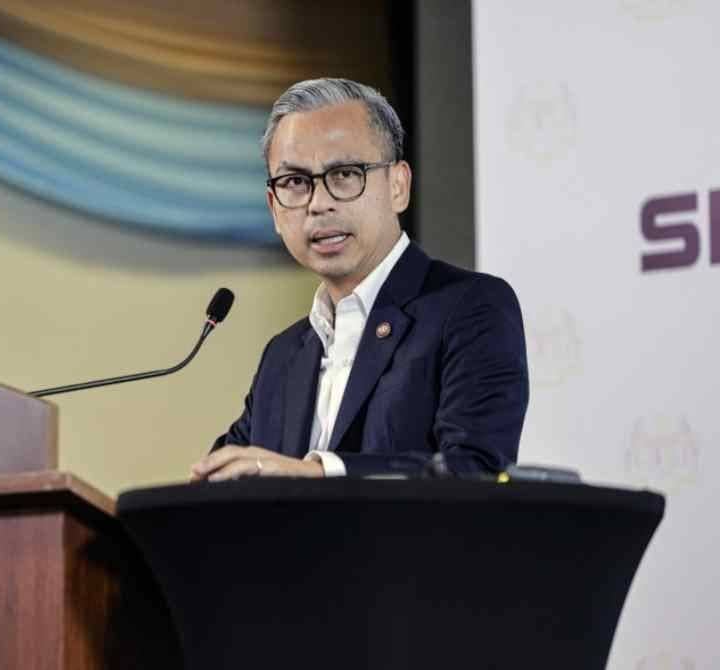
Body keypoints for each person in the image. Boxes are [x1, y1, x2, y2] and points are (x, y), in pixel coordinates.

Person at [191, 78, 528, 482]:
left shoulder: (471, 307)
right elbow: (231, 480)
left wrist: (319, 472)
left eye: (345, 174)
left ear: (398, 186)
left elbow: (475, 470)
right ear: (273, 207)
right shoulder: (282, 357)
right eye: (295, 182)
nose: (319, 204)